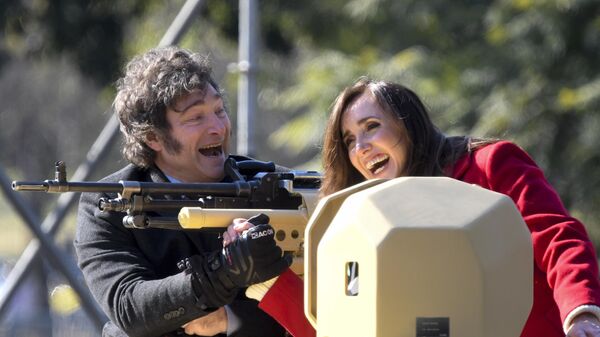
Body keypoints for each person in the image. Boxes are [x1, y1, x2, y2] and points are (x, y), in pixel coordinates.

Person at [227, 77, 600, 337]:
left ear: (410, 124)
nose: (361, 148)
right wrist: (269, 278)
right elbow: (342, 328)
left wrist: (581, 312)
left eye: (372, 126)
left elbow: (556, 237)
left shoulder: (489, 165)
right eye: (349, 140)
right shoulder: (360, 223)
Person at [74, 46, 291, 337]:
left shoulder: (272, 185)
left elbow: (318, 306)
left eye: (219, 111)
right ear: (153, 137)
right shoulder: (110, 203)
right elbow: (131, 308)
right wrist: (224, 271)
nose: (218, 127)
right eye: (195, 118)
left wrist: (229, 319)